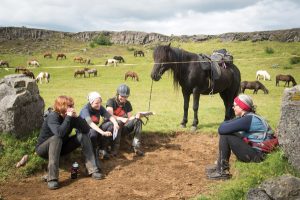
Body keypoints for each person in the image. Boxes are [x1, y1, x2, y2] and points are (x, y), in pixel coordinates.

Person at [36, 96, 103, 190]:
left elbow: (86, 130)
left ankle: (92, 169)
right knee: (56, 138)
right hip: (44, 149)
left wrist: (78, 117)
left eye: (72, 105)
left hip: (62, 146)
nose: (72, 107)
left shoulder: (70, 117)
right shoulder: (53, 116)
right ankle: (52, 178)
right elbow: (59, 133)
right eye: (69, 106)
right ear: (61, 106)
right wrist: (68, 117)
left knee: (82, 135)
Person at [206, 94, 274, 180]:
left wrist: (227, 124)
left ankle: (222, 171)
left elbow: (222, 129)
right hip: (259, 152)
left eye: (235, 105)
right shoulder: (249, 117)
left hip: (258, 155)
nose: (233, 108)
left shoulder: (248, 120)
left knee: (226, 135)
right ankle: (220, 166)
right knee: (230, 132)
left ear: (242, 107)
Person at [78, 91, 119, 163]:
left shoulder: (100, 107)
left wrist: (115, 123)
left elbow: (109, 116)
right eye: (96, 103)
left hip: (94, 131)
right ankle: (92, 152)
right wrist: (103, 132)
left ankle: (102, 150)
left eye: (100, 102)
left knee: (110, 124)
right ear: (91, 102)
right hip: (84, 133)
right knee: (93, 132)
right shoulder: (85, 110)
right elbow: (90, 124)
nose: (99, 105)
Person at [106, 84, 144, 156]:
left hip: (123, 128)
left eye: (126, 97)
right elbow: (109, 116)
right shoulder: (111, 101)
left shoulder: (128, 103)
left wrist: (136, 116)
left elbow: (129, 118)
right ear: (117, 94)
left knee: (138, 121)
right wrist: (121, 118)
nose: (123, 98)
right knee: (119, 122)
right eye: (122, 96)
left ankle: (136, 147)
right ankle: (114, 149)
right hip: (111, 128)